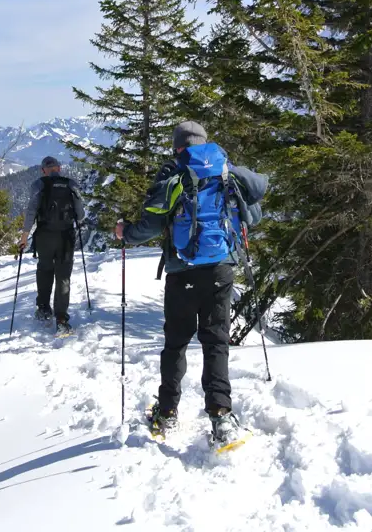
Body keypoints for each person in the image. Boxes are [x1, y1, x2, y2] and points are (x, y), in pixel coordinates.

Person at [115, 121, 268, 446]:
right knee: (215, 343)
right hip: (221, 271)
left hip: (182, 271)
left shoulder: (175, 173)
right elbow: (253, 216)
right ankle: (221, 417)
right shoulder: (226, 171)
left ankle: (167, 413)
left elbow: (152, 223)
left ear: (178, 146)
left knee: (176, 343)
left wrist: (125, 233)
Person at [19, 156, 85, 334]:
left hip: (45, 236)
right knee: (63, 277)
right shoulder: (70, 184)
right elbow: (80, 214)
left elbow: (32, 210)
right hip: (66, 238)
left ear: (43, 170)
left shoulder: (39, 185)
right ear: (59, 168)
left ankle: (43, 309)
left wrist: (24, 236)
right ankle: (62, 319)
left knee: (45, 270)